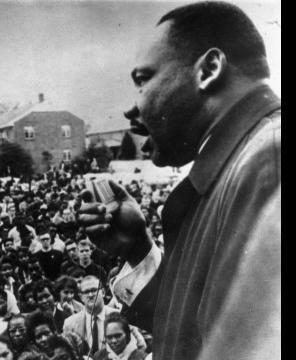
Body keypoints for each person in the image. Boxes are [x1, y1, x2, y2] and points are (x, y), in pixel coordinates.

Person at [78, 2, 280, 359]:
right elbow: (198, 330)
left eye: (143, 80)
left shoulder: (269, 160)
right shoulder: (244, 162)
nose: (131, 109)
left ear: (209, 69)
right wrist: (137, 247)